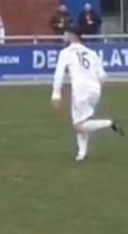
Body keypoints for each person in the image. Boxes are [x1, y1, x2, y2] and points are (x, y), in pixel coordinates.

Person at [50, 24, 124, 162]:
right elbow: (102, 75)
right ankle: (82, 153)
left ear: (73, 36)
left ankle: (109, 123)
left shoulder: (66, 53)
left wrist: (56, 94)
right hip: (95, 90)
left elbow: (59, 74)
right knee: (82, 121)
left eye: (66, 33)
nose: (64, 36)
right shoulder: (91, 53)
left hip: (80, 90)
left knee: (79, 125)